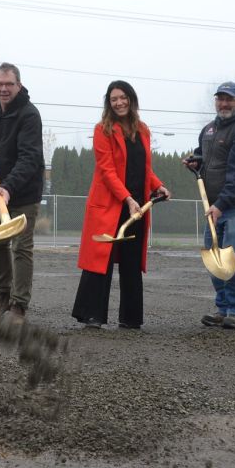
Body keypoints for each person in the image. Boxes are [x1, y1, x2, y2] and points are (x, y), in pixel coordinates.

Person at [72, 81, 170, 329]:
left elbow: (144, 168)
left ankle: (131, 318)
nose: (119, 102)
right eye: (114, 99)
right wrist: (127, 199)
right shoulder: (102, 130)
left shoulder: (143, 130)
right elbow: (107, 170)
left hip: (138, 205)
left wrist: (158, 186)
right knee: (100, 259)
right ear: (109, 103)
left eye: (123, 97)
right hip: (110, 204)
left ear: (131, 99)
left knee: (131, 259)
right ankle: (91, 315)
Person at [182, 82, 235, 330]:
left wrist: (221, 205)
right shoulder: (209, 129)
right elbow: (204, 156)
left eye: (229, 99)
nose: (224, 104)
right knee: (214, 255)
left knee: (233, 256)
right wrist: (195, 161)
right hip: (215, 206)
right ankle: (223, 308)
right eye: (220, 99)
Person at [0, 62, 45, 323]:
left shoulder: (29, 114)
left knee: (21, 248)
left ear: (19, 85)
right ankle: (2, 298)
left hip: (23, 192)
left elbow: (30, 157)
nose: (3, 89)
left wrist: (9, 187)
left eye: (9, 84)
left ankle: (19, 306)